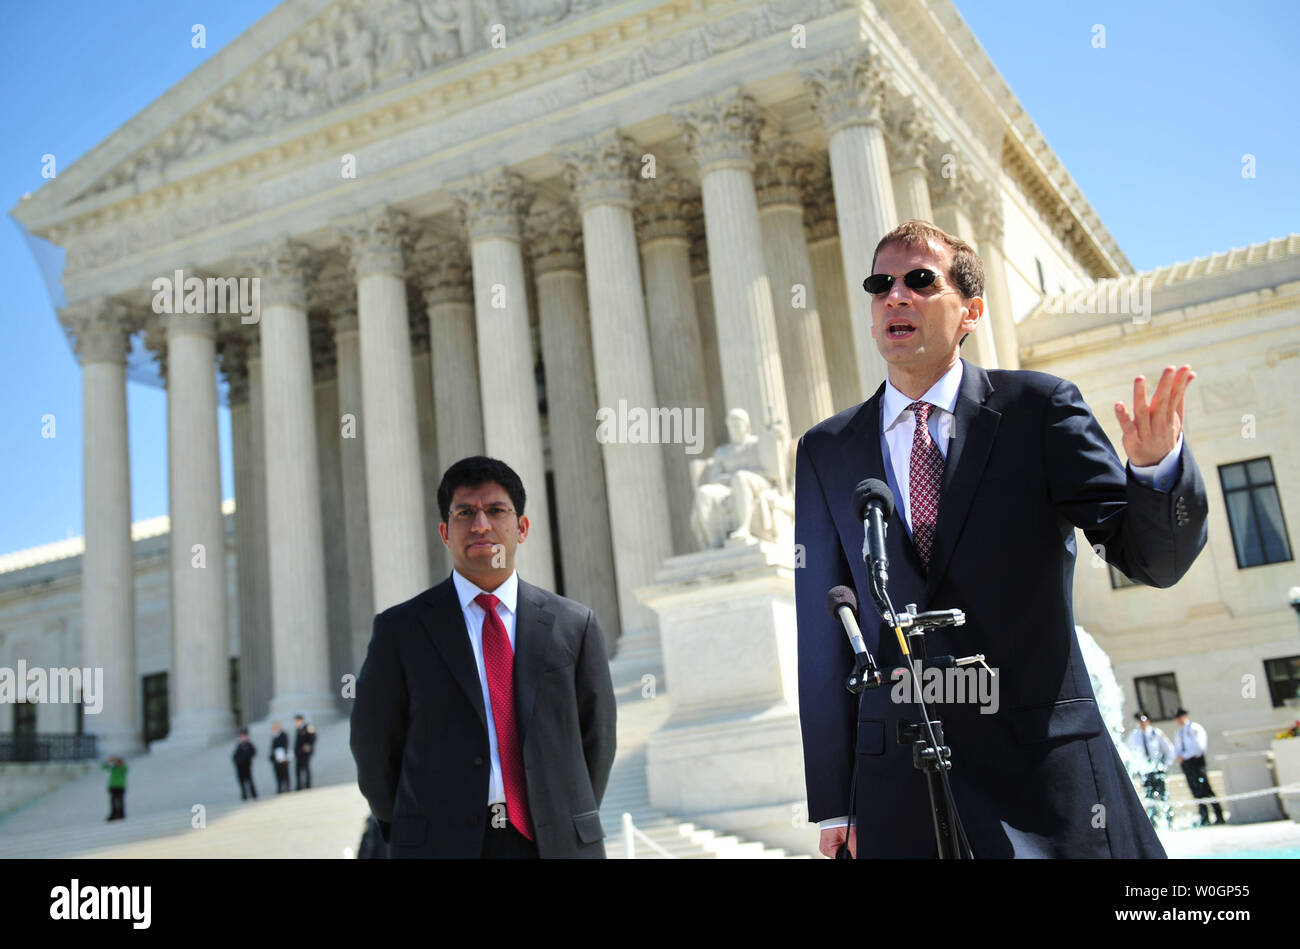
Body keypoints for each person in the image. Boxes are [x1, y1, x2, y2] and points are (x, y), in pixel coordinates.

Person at [795, 220, 1207, 858]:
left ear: (971, 311)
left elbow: (1148, 559)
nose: (894, 297)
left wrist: (1155, 473)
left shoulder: (1038, 410)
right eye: (881, 284)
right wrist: (831, 802)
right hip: (897, 783)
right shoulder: (826, 450)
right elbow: (824, 629)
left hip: (1042, 775)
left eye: (919, 281)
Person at [350, 456, 617, 858]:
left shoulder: (574, 625)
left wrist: (563, 815)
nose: (481, 525)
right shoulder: (400, 631)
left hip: (554, 845)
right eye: (464, 513)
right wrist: (409, 827)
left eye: (496, 510)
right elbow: (374, 748)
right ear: (444, 532)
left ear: (522, 527)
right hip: (441, 847)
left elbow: (597, 738)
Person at [1173, 707, 1226, 826]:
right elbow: (1176, 748)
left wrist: (1185, 756)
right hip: (1186, 763)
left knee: (1206, 788)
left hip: (1196, 761)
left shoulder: (1194, 728)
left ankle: (1219, 814)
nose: (1179, 720)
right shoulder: (1179, 733)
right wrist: (1178, 756)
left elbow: (1199, 747)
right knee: (1195, 790)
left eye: (1180, 717)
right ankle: (1204, 816)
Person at [1125, 712, 1175, 828]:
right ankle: (1153, 820)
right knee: (1149, 796)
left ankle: (1169, 818)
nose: (1142, 723)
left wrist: (1165, 765)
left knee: (1163, 795)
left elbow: (1168, 749)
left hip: (1157, 769)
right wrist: (1135, 767)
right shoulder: (1134, 735)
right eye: (1140, 721)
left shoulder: (1155, 733)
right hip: (1145, 771)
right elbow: (1128, 752)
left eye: (1144, 721)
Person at [232, 729, 258, 800]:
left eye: (244, 736)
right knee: (241, 782)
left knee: (249, 781)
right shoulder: (239, 746)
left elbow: (253, 753)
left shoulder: (249, 745)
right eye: (241, 737)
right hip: (239, 767)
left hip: (247, 766)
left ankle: (254, 795)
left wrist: (245, 759)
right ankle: (244, 795)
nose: (242, 738)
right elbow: (235, 756)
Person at [293, 715, 315, 791]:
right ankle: (299, 786)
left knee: (306, 768)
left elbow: (313, 737)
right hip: (299, 753)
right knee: (298, 769)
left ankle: (308, 785)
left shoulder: (308, 727)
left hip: (306, 753)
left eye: (297, 721)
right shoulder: (298, 729)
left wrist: (309, 745)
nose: (296, 723)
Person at [102, 756, 127, 821]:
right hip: (112, 787)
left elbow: (125, 769)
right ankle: (113, 814)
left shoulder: (122, 768)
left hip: (120, 787)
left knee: (120, 801)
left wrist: (120, 763)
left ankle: (121, 814)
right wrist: (108, 761)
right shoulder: (113, 768)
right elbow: (103, 768)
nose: (117, 762)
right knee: (112, 802)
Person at [270, 721, 291, 793]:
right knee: (278, 775)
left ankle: (287, 788)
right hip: (276, 759)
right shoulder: (274, 737)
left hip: (283, 758)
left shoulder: (283, 735)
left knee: (285, 774)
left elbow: (284, 746)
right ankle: (280, 789)